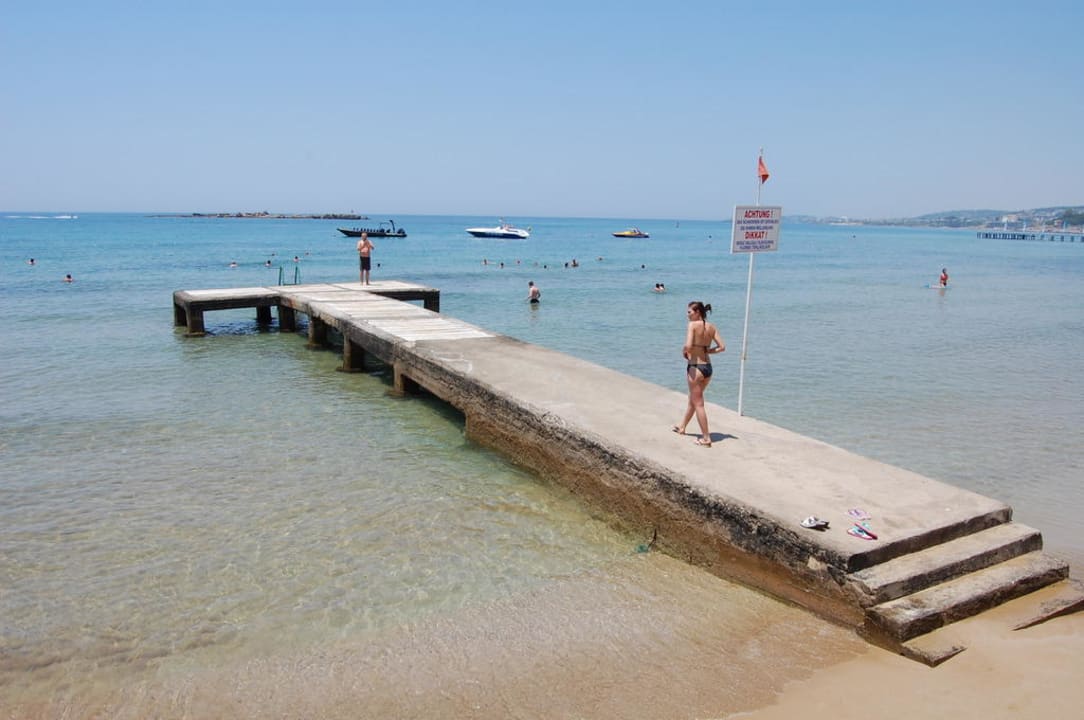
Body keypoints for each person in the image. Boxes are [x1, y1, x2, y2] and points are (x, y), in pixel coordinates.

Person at [672, 301, 725, 447]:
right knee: (694, 399)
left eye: (689, 312)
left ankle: (706, 438)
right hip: (708, 367)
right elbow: (722, 347)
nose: (687, 314)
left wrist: (685, 351)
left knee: (699, 403)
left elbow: (688, 345)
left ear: (697, 312)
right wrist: (708, 351)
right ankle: (682, 426)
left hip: (696, 367)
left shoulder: (692, 326)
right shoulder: (711, 327)